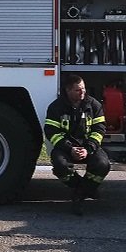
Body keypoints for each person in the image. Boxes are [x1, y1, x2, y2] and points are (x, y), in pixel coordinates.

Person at [44, 74, 111, 214]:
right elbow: (51, 131)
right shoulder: (56, 107)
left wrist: (88, 148)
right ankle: (86, 188)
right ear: (68, 90)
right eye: (78, 90)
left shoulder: (94, 105)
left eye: (84, 89)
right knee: (60, 166)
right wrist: (70, 148)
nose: (83, 93)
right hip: (66, 147)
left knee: (103, 165)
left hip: (88, 146)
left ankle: (79, 193)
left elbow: (99, 129)